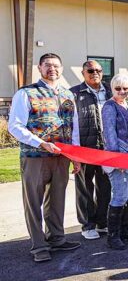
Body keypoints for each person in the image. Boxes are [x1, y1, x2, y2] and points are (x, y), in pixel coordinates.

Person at [8, 53, 82, 262]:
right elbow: (15, 126)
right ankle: (39, 245)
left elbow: (73, 128)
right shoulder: (26, 93)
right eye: (47, 65)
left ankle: (57, 238)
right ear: (39, 68)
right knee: (34, 202)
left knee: (57, 199)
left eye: (56, 66)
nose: (52, 69)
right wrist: (41, 143)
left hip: (62, 157)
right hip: (35, 157)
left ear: (61, 68)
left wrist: (75, 156)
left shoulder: (68, 94)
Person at [70, 60, 112, 240]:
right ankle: (87, 224)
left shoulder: (110, 92)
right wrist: (74, 152)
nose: (95, 73)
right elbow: (70, 124)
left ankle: (102, 222)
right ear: (83, 73)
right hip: (85, 149)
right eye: (90, 70)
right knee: (85, 188)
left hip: (107, 150)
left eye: (98, 70)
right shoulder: (74, 93)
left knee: (105, 187)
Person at [101, 74, 128, 250]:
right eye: (118, 88)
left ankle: (126, 230)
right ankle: (113, 236)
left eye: (126, 88)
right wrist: (116, 159)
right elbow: (109, 134)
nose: (122, 92)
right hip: (118, 160)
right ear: (112, 89)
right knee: (119, 196)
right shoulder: (109, 107)